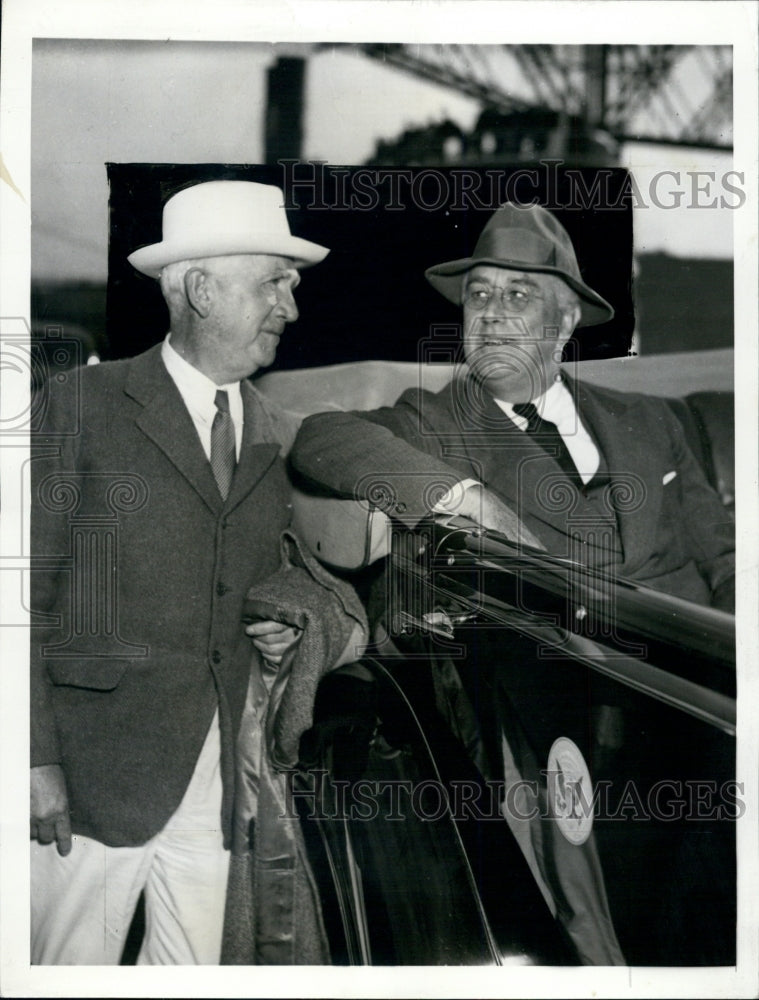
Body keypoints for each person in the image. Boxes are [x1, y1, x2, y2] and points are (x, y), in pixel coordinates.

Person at [29, 179, 363, 965]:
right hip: (90, 779)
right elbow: (20, 597)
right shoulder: (81, 405)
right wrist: (33, 758)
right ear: (202, 291)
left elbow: (275, 571)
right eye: (274, 283)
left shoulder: (273, 430)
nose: (290, 307)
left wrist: (286, 625)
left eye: (291, 285)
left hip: (216, 786)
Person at [290, 201, 735, 611]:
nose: (491, 313)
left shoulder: (650, 418)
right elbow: (322, 436)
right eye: (478, 295)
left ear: (564, 322)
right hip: (570, 656)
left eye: (518, 295)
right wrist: (470, 497)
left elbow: (729, 560)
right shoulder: (436, 420)